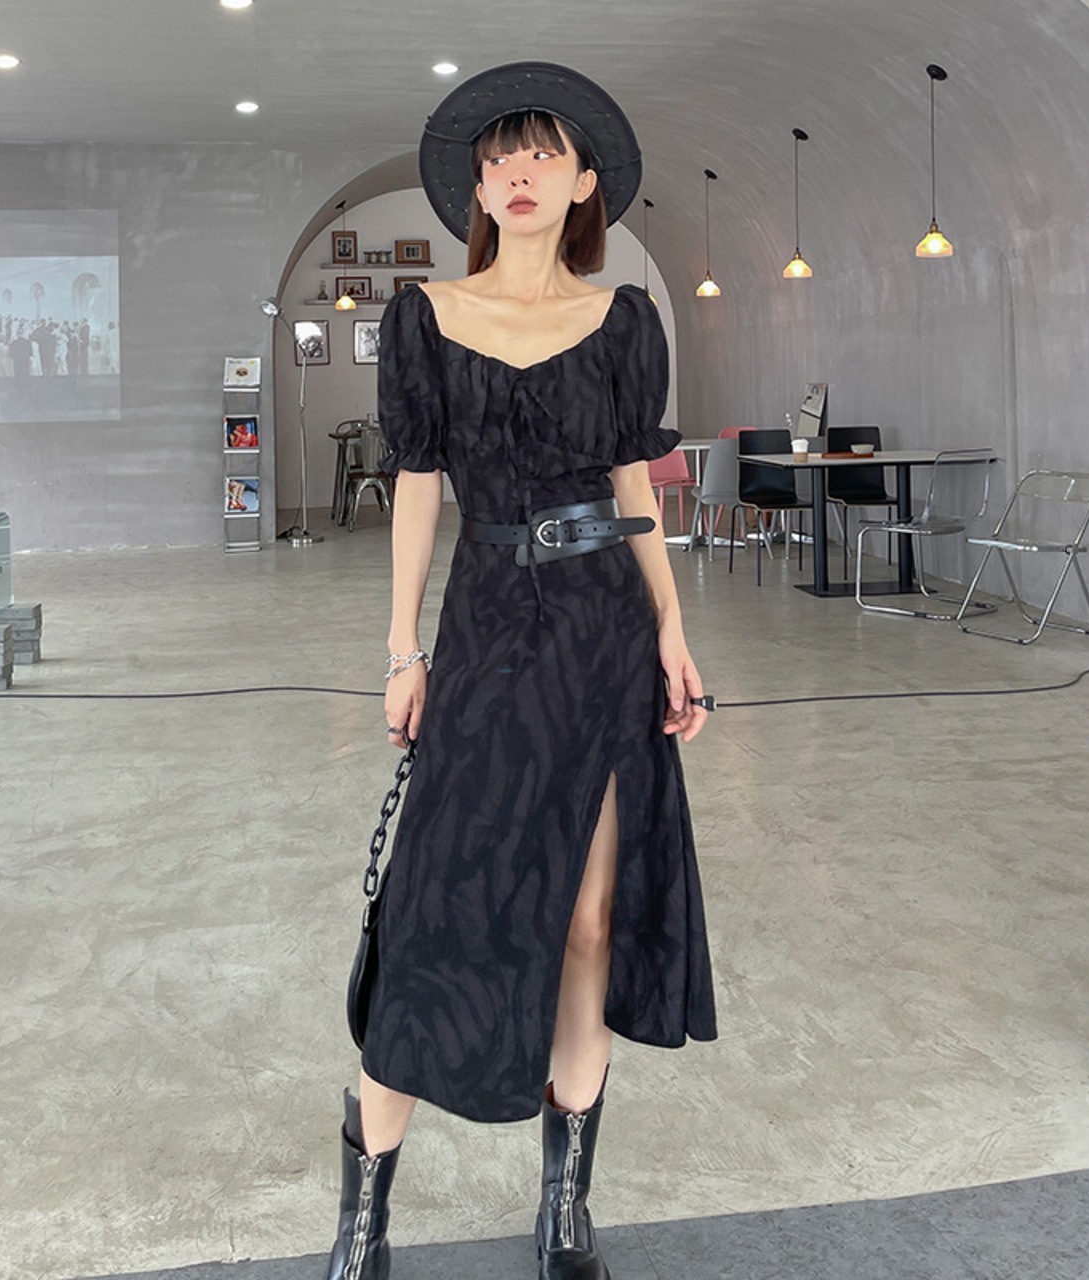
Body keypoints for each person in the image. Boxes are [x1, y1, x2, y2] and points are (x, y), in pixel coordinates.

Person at [322, 62, 717, 1280]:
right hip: (488, 622)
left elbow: (631, 486)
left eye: (543, 153)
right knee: (435, 901)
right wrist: (403, 649)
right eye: (499, 159)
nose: (519, 172)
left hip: (603, 629)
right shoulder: (423, 316)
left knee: (588, 919)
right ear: (479, 191)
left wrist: (671, 629)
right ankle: (362, 1217)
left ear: (585, 181)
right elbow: (416, 490)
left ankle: (563, 1206)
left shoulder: (624, 322)